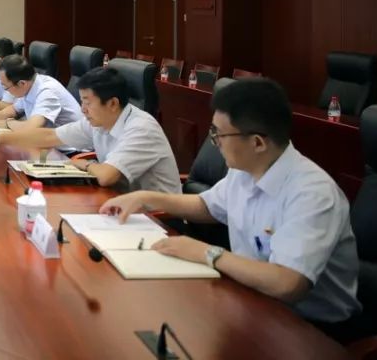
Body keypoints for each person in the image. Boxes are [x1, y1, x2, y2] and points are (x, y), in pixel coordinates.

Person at [99, 78, 360, 326]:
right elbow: (207, 206)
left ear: (257, 143)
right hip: (252, 301)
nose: (215, 143)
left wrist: (206, 253)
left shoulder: (312, 193)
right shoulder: (245, 170)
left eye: (220, 135)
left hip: (311, 328)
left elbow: (288, 283)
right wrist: (145, 197)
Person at [0, 67, 180, 193]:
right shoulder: (100, 120)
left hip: (158, 219)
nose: (83, 110)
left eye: (88, 103)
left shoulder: (141, 129)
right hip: (118, 202)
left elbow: (106, 176)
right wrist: (2, 139)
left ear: (113, 103)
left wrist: (86, 165)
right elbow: (49, 136)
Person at [0, 55, 83, 129]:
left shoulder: (47, 92)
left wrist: (6, 123)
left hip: (70, 150)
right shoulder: (29, 85)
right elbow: (14, 109)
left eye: (6, 87)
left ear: (21, 83)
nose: (5, 89)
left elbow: (32, 127)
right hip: (48, 143)